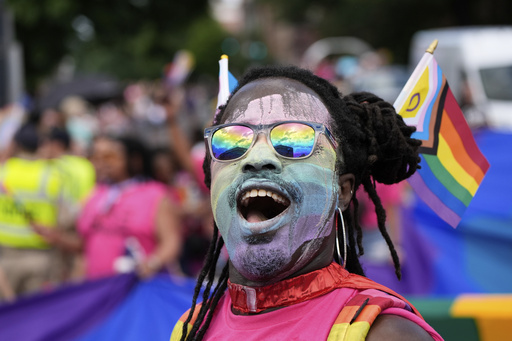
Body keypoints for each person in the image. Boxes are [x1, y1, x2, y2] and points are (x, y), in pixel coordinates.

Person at [171, 65, 443, 340]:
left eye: (294, 140)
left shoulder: (381, 333)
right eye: (232, 141)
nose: (257, 158)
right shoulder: (191, 328)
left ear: (343, 189)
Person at [69, 134, 183, 279]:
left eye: (111, 157)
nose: (105, 163)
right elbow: (83, 246)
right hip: (97, 288)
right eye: (100, 158)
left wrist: (152, 264)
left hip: (138, 286)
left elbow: (171, 241)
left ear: (134, 160)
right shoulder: (96, 194)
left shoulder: (156, 194)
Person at [0, 123, 73, 299]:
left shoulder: (3, 172)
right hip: (41, 259)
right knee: (36, 316)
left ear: (16, 145)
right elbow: (68, 217)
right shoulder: (52, 175)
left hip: (5, 259)